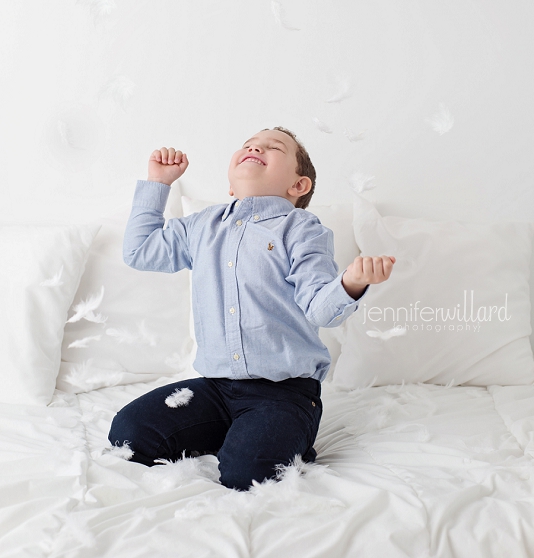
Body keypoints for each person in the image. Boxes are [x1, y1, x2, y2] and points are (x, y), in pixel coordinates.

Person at [108, 126, 396, 491]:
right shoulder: (201, 226)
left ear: (298, 186)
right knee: (129, 435)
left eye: (273, 147)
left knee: (248, 475)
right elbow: (139, 251)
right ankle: (235, 431)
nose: (256, 147)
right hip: (216, 389)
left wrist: (350, 283)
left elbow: (321, 310)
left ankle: (281, 435)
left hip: (284, 392)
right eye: (248, 145)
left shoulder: (302, 228)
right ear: (231, 183)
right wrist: (158, 184)